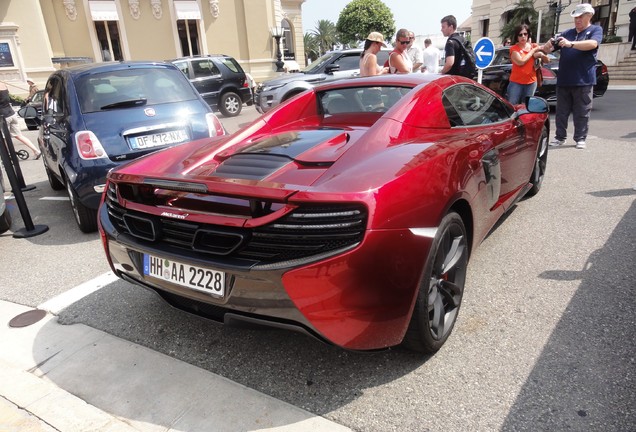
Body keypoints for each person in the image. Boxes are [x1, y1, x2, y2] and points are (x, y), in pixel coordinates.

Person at [542, 3, 602, 149]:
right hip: (564, 79)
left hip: (584, 80)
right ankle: (559, 137)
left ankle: (580, 138)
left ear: (589, 16)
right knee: (561, 112)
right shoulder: (566, 33)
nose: (577, 20)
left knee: (582, 111)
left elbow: (593, 44)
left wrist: (571, 44)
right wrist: (549, 44)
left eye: (581, 17)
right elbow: (546, 49)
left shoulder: (595, 30)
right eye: (576, 17)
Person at [506, 24, 549, 105]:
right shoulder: (514, 49)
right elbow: (521, 62)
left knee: (527, 106)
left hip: (531, 82)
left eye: (525, 34)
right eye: (520, 34)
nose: (523, 36)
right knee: (513, 105)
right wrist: (533, 51)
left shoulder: (534, 46)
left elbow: (546, 60)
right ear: (517, 36)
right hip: (516, 83)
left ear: (528, 35)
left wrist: (542, 55)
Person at [0, 81, 41, 159]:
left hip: (4, 116)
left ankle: (7, 158)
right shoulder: (4, 85)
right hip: (12, 114)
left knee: (4, 138)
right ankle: (36, 151)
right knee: (19, 135)